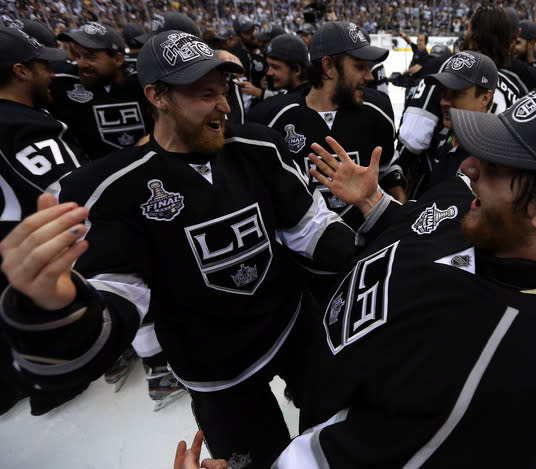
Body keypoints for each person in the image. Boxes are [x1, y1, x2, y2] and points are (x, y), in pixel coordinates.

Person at [179, 78, 536, 468]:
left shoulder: (517, 374)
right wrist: (373, 203)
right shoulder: (483, 213)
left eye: (501, 163)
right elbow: (422, 229)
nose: (468, 166)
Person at [0, 30, 363, 469]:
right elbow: (120, 296)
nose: (225, 106)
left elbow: (308, 228)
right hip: (215, 370)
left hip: (292, 330)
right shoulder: (111, 189)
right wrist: (57, 308)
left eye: (225, 92)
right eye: (205, 94)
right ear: (156, 96)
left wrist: (378, 246)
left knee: (333, 440)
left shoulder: (259, 148)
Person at [0, 26, 87, 417]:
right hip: (41, 272)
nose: (51, 74)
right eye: (41, 66)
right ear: (21, 71)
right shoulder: (26, 128)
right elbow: (75, 202)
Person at [247, 21, 406, 215]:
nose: (369, 76)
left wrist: (397, 189)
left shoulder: (378, 109)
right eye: (359, 66)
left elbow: (386, 166)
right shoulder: (269, 118)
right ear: (329, 66)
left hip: (371, 240)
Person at [398, 51, 497, 198]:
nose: (444, 102)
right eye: (443, 93)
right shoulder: (445, 139)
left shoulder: (491, 160)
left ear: (485, 98)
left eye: (456, 94)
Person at [49, 22, 150, 159]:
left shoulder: (145, 78)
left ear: (118, 59)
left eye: (91, 57)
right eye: (78, 56)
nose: (81, 64)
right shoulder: (61, 81)